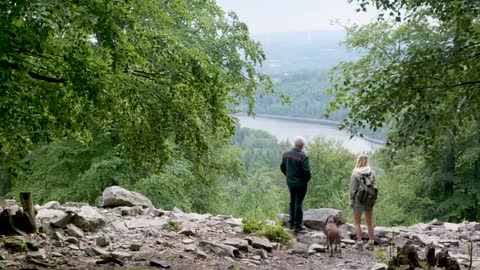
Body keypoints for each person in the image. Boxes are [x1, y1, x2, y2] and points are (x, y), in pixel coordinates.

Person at [280, 136, 311, 233]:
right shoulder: (303, 157)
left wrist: (288, 176)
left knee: (292, 201)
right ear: (302, 145)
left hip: (290, 182)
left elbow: (282, 167)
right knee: (298, 203)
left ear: (295, 144)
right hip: (301, 184)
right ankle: (298, 225)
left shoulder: (286, 155)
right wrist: (305, 180)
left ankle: (291, 223)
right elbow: (307, 172)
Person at [350, 154, 376, 251]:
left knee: (357, 223)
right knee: (369, 222)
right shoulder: (372, 172)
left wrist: (351, 201)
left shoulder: (355, 173)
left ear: (358, 161)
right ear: (367, 161)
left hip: (358, 200)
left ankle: (360, 243)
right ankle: (371, 243)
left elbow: (353, 190)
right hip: (369, 200)